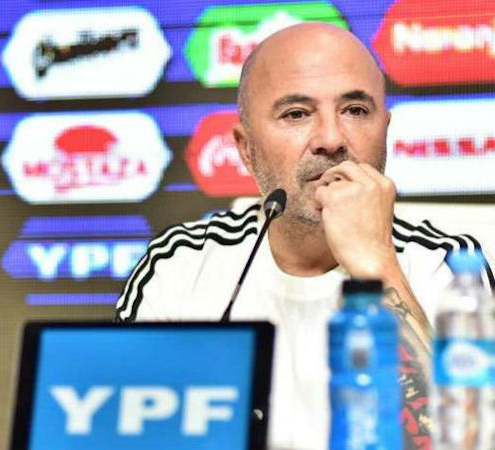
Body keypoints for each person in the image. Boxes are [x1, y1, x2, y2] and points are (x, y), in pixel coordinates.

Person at [115, 23, 494, 450]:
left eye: (355, 110)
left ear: (384, 131)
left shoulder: (448, 268)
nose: (331, 140)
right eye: (296, 114)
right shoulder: (179, 266)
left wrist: (376, 266)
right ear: (245, 149)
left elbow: (471, 439)